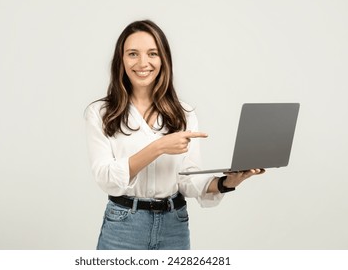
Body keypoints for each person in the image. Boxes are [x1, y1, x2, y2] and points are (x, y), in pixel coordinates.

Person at [84, 20, 265, 250]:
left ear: (164, 59)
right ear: (120, 60)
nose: (143, 63)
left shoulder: (184, 113)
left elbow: (187, 180)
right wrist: (158, 147)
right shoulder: (101, 113)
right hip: (123, 227)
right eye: (132, 54)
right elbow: (106, 178)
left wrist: (226, 182)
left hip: (174, 226)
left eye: (152, 53)